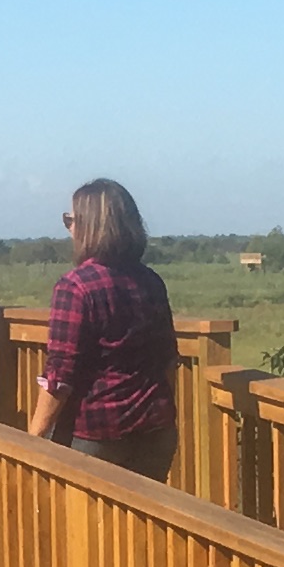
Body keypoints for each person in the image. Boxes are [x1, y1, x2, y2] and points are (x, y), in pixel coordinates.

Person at [29, 175, 180, 481]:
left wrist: (33, 436)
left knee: (87, 527)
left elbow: (60, 375)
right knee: (143, 526)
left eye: (71, 220)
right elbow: (167, 360)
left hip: (96, 434)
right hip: (155, 429)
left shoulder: (75, 287)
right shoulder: (151, 281)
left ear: (88, 226)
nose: (69, 228)